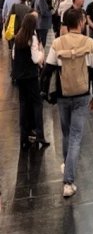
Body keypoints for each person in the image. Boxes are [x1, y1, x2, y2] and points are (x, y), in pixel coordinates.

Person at [41, 8, 93, 198]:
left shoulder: (58, 43)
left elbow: (47, 71)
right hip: (82, 95)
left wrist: (45, 92)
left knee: (67, 133)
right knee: (76, 136)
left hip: (63, 95)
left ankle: (67, 166)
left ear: (66, 24)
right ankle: (68, 182)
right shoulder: (90, 43)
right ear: (81, 23)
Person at [13, 12, 48, 149]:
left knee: (23, 104)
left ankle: (24, 137)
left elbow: (14, 56)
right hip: (31, 77)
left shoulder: (18, 37)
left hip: (20, 76)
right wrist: (42, 54)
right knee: (37, 104)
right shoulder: (32, 38)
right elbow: (35, 58)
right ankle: (39, 135)